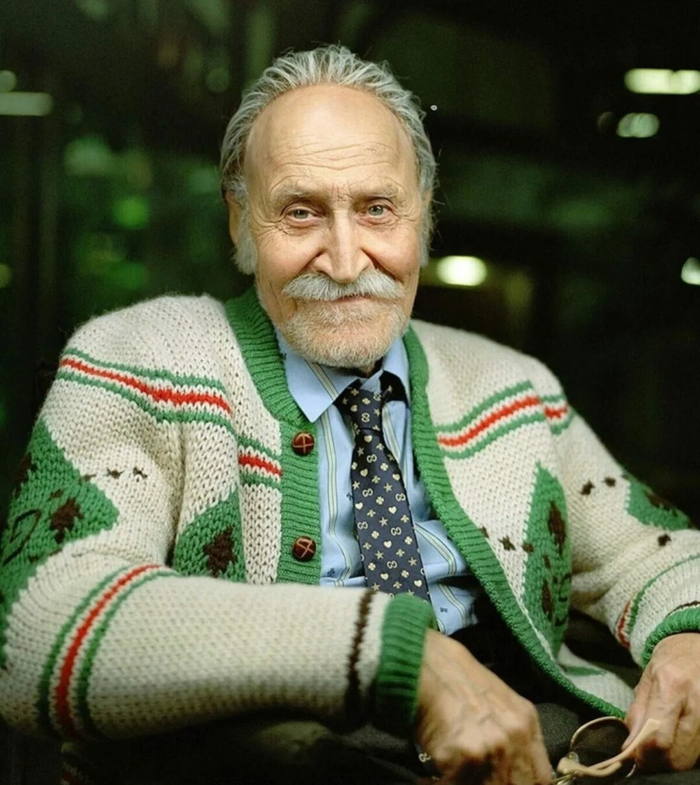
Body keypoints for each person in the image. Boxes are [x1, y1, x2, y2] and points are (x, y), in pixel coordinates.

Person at [2, 44, 700, 785]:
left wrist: (687, 635)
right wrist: (395, 654)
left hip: (539, 746)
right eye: (300, 211)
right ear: (240, 221)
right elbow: (37, 630)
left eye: (377, 209)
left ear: (423, 214)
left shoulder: (514, 385)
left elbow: (651, 550)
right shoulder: (135, 355)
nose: (344, 259)